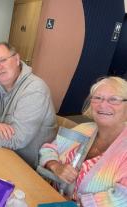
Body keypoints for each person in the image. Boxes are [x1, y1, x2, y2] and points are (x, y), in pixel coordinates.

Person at [39, 77, 127, 206]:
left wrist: (78, 203)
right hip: (49, 197)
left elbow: (123, 198)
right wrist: (55, 165)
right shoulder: (84, 129)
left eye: (113, 99)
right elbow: (48, 149)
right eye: (97, 98)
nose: (103, 105)